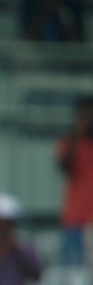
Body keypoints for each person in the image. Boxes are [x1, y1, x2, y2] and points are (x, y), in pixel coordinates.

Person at [55, 96, 93, 266]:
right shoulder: (69, 142)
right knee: (73, 278)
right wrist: (79, 131)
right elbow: (64, 165)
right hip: (75, 222)